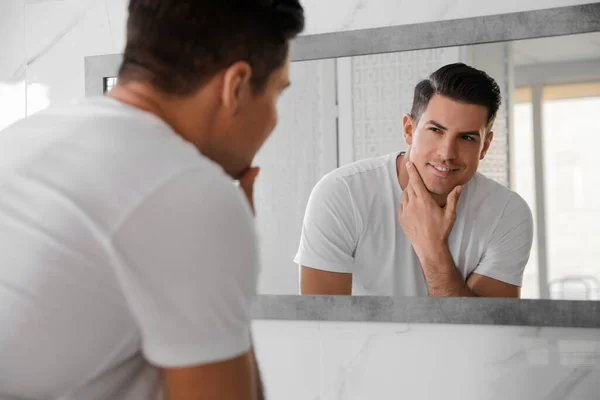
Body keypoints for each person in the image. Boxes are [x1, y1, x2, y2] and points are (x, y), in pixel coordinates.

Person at [0, 1, 304, 399]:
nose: (274, 119)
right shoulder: (191, 195)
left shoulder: (21, 139)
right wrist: (229, 262)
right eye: (278, 93)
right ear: (237, 87)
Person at [296, 63, 534, 298]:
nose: (447, 153)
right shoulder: (341, 194)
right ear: (409, 130)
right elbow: (322, 328)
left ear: (485, 146)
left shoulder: (507, 213)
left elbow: (486, 332)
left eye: (467, 137)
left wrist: (432, 249)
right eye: (436, 130)